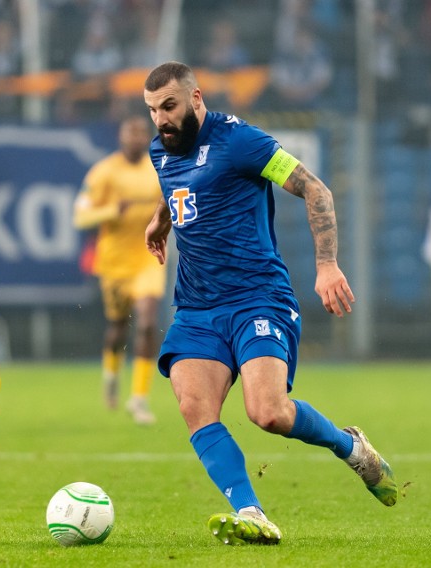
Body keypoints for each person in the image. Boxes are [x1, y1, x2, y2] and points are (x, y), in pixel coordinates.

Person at [141, 61, 397, 545]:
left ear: (196, 99)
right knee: (196, 407)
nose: (161, 119)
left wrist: (327, 265)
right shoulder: (162, 148)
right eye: (153, 110)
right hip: (196, 307)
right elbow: (176, 184)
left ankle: (351, 447)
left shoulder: (242, 142)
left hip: (258, 298)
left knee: (269, 412)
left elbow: (314, 189)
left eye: (169, 106)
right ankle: (251, 512)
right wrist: (162, 219)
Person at [73, 116, 166, 425]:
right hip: (113, 263)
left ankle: (139, 398)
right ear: (121, 136)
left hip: (147, 257)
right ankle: (111, 375)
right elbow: (81, 218)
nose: (137, 138)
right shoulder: (104, 172)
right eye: (131, 133)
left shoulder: (158, 170)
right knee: (117, 328)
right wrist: (114, 210)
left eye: (142, 133)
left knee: (148, 322)